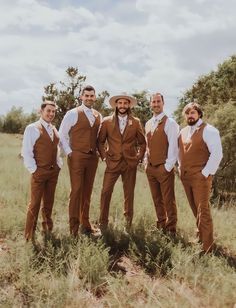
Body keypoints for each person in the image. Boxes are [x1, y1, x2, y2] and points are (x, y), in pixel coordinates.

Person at [97, 93, 146, 232]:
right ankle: (103, 224)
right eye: (120, 103)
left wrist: (138, 158)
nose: (123, 106)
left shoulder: (135, 122)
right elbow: (100, 142)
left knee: (129, 194)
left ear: (128, 105)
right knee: (105, 192)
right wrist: (105, 157)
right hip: (112, 162)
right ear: (116, 105)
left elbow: (142, 143)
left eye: (125, 103)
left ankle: (128, 225)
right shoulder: (106, 121)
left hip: (130, 163)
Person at [178, 102, 223, 252]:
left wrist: (205, 173)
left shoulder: (209, 130)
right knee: (194, 208)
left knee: (203, 210)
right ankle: (200, 236)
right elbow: (180, 152)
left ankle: (207, 247)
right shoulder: (183, 131)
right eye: (188, 113)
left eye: (193, 113)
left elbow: (217, 154)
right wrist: (179, 167)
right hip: (185, 176)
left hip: (200, 177)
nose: (190, 115)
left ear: (199, 114)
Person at [59, 85, 102, 236]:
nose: (89, 98)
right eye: (87, 95)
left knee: (87, 191)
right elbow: (62, 134)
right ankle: (73, 229)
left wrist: (99, 153)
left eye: (92, 96)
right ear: (81, 97)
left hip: (92, 158)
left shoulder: (98, 115)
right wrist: (70, 153)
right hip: (77, 156)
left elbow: (98, 138)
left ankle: (86, 223)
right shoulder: (73, 113)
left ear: (95, 97)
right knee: (76, 191)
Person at [22, 100, 62, 241]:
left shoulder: (53, 128)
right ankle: (29, 236)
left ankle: (47, 230)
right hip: (39, 172)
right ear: (41, 111)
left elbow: (56, 148)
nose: (51, 114)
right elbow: (26, 152)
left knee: (49, 202)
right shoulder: (32, 128)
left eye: (53, 111)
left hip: (53, 173)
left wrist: (59, 164)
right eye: (48, 111)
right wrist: (34, 170)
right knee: (34, 204)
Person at [145, 92, 179, 234]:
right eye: (154, 102)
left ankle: (171, 229)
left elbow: (173, 146)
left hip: (164, 168)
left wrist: (167, 167)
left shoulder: (170, 123)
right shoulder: (148, 123)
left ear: (163, 103)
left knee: (168, 200)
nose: (156, 104)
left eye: (158, 101)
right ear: (150, 104)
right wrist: (146, 162)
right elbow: (148, 144)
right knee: (157, 199)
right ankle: (161, 225)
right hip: (151, 168)